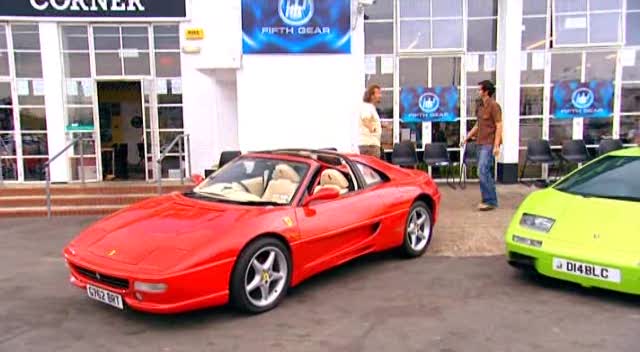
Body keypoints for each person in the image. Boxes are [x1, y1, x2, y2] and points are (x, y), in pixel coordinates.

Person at [461, 80, 503, 211]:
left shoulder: (494, 106)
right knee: (485, 173)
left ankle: (490, 201)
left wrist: (496, 145)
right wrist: (467, 138)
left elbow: (499, 126)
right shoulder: (480, 107)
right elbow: (478, 126)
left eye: (480, 89)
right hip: (479, 143)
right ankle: (488, 199)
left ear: (486, 92)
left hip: (489, 144)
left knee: (482, 171)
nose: (478, 91)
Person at [359, 84, 382, 158]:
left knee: (370, 169)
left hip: (371, 145)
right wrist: (373, 129)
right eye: (378, 93)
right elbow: (365, 120)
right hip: (369, 146)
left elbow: (370, 120)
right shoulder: (367, 107)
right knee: (371, 169)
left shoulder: (371, 108)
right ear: (371, 96)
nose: (380, 95)